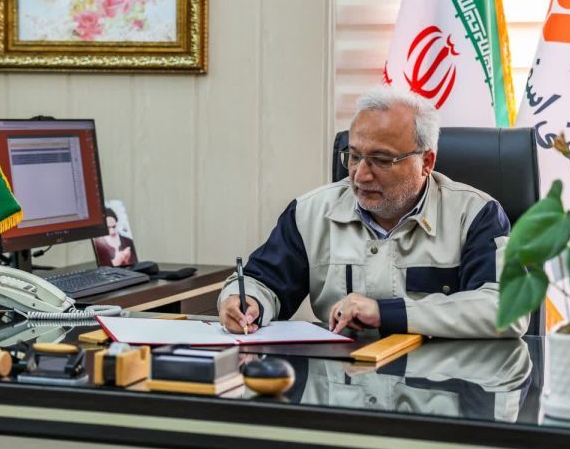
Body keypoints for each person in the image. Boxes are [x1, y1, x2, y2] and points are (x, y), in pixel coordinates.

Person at [218, 86, 529, 339]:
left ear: (426, 162)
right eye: (354, 157)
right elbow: (262, 281)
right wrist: (245, 301)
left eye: (381, 160)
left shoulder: (474, 214)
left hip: (443, 385)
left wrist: (386, 313)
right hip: (343, 383)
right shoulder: (310, 212)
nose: (360, 175)